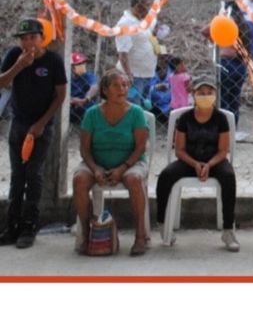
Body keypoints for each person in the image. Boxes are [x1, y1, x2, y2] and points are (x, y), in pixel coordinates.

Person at [0, 19, 67, 249]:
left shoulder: (53, 60)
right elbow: (2, 83)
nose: (28, 42)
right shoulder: (14, 56)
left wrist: (41, 124)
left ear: (41, 38)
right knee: (17, 175)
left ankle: (29, 225)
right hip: (18, 123)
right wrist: (19, 65)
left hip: (41, 126)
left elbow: (60, 95)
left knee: (33, 174)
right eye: (23, 38)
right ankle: (12, 226)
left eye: (32, 37)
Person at [156, 78, 239, 251]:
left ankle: (228, 230)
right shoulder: (185, 118)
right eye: (201, 93)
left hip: (214, 160)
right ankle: (163, 223)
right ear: (193, 95)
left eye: (209, 93)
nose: (205, 96)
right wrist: (195, 164)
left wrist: (209, 164)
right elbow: (179, 150)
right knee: (166, 175)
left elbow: (223, 150)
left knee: (229, 177)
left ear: (215, 96)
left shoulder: (221, 118)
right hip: (188, 160)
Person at [72, 70, 149, 256]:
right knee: (79, 180)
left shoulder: (136, 113)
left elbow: (140, 148)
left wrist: (122, 168)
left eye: (124, 85)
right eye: (116, 85)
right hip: (96, 162)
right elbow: (84, 149)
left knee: (135, 180)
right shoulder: (92, 114)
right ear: (105, 90)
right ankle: (86, 234)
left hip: (131, 163)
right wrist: (95, 168)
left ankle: (140, 236)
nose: (122, 89)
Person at [203, 1, 252, 129]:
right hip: (240, 64)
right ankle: (232, 129)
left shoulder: (224, 20)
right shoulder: (243, 23)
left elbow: (204, 31)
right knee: (234, 98)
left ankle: (224, 129)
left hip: (226, 63)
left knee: (223, 98)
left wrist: (215, 40)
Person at [116, 0, 157, 106]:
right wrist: (128, 75)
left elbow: (151, 37)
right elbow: (123, 53)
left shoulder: (144, 20)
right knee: (134, 109)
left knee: (146, 108)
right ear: (138, 7)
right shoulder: (126, 24)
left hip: (148, 74)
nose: (149, 10)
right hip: (134, 76)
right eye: (146, 7)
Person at [69, 52, 98, 124]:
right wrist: (71, 100)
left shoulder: (88, 76)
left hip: (86, 109)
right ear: (72, 67)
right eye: (78, 64)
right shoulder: (68, 79)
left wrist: (85, 100)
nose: (82, 66)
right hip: (72, 110)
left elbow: (94, 87)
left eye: (83, 63)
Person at [148, 50, 172, 124]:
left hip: (170, 105)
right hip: (153, 106)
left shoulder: (172, 71)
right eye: (161, 58)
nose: (164, 60)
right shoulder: (149, 72)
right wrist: (155, 88)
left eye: (166, 57)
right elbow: (144, 92)